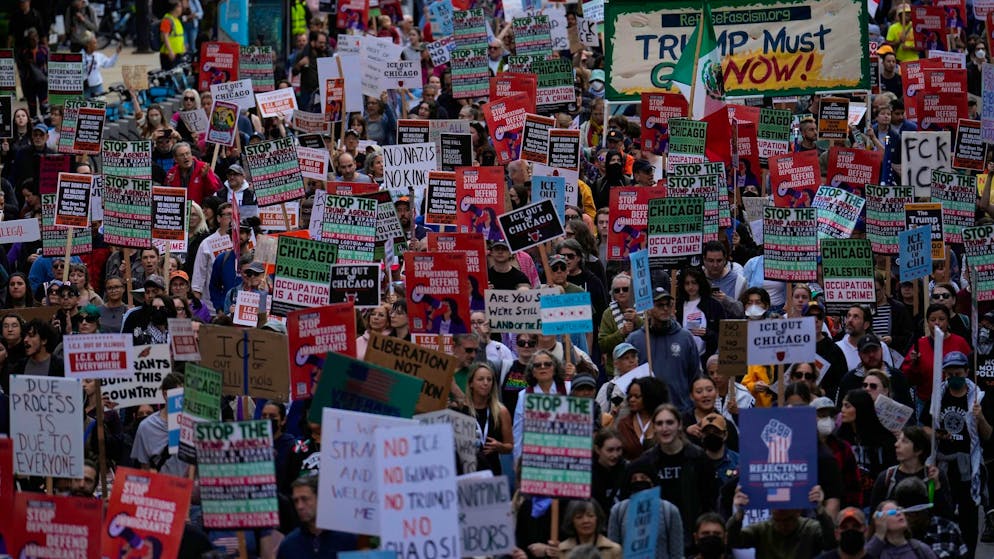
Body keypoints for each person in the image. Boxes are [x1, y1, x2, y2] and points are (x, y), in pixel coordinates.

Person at [921, 351, 990, 558]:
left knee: (969, 518)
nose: (953, 378)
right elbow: (924, 427)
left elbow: (988, 435)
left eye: (958, 374)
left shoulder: (979, 398)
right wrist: (937, 434)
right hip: (942, 467)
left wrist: (980, 418)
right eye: (949, 375)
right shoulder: (938, 396)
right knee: (942, 514)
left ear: (967, 372)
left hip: (969, 467)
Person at [629, 403, 716, 546]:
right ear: (654, 427)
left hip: (691, 537)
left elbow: (709, 501)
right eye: (659, 423)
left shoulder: (698, 458)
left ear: (679, 425)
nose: (665, 428)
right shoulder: (645, 463)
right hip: (657, 538)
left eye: (669, 422)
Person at [625, 288, 702, 412]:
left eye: (668, 305)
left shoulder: (685, 338)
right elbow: (627, 376)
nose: (665, 308)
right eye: (660, 305)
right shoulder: (635, 340)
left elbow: (695, 375)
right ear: (648, 309)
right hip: (647, 412)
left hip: (680, 410)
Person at [727, 483, 835, 558]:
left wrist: (820, 510)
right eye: (777, 520)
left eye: (788, 520)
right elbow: (733, 541)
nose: (782, 525)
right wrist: (739, 514)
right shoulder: (762, 529)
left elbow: (830, 542)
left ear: (798, 512)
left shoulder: (810, 528)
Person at [869, 426, 953, 519]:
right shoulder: (887, 477)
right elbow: (874, 517)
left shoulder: (934, 475)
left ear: (919, 450)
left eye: (904, 441)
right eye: (898, 440)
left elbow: (946, 515)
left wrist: (936, 486)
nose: (896, 444)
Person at [607, 461, 685, 558]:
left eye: (643, 478)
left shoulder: (669, 511)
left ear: (652, 482)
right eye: (634, 479)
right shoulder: (618, 511)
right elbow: (613, 552)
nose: (639, 481)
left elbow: (677, 554)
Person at [901, 304, 972, 408]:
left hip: (956, 400)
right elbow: (907, 377)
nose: (937, 323)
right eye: (933, 320)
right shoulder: (920, 344)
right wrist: (913, 363)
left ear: (948, 321)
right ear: (927, 322)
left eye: (941, 319)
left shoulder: (960, 342)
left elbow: (971, 369)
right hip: (925, 401)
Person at [837, 389, 897, 508]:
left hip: (876, 501)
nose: (842, 410)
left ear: (860, 408)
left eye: (847, 406)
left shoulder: (885, 439)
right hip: (848, 501)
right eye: (842, 405)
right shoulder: (840, 437)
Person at [277, 476, 358, 558]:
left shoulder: (348, 539)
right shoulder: (289, 545)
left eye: (305, 499)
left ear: (321, 499)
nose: (299, 506)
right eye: (296, 501)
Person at [892, 477, 969, 559]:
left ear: (924, 511)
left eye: (911, 514)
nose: (907, 519)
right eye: (904, 514)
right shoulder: (894, 533)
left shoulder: (948, 529)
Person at [513, 350, 569, 461]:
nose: (543, 367)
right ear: (532, 372)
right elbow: (518, 431)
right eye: (538, 365)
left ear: (554, 369)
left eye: (547, 364)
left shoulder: (568, 389)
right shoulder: (524, 396)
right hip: (536, 457)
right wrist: (518, 460)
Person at [467, 362, 512, 475]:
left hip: (492, 472)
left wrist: (500, 447)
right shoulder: (462, 410)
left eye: (489, 379)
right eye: (480, 379)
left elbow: (509, 446)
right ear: (471, 383)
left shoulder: (501, 411)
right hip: (467, 472)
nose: (486, 383)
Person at [676, 267, 726, 363]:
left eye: (694, 282)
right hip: (682, 358)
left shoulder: (713, 305)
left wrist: (708, 334)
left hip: (707, 360)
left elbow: (723, 335)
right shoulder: (677, 306)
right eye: (687, 283)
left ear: (700, 283)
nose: (690, 287)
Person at [616, 376, 669, 460]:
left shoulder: (667, 421)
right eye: (630, 396)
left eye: (637, 396)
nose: (632, 400)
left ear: (650, 397)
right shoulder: (624, 424)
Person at [865, 501, 938, 558]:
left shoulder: (920, 549)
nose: (898, 514)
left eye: (899, 510)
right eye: (892, 512)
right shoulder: (878, 552)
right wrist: (879, 534)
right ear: (880, 522)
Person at [555, 500, 621, 558]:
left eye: (590, 516)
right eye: (579, 517)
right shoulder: (561, 550)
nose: (586, 521)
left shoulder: (614, 550)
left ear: (597, 518)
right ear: (571, 521)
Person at [592, 429, 627, 516]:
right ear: (597, 449)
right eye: (610, 450)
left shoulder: (627, 470)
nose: (615, 455)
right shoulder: (589, 475)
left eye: (618, 449)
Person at [159, 0, 186, 71]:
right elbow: (164, 36)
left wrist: (183, 46)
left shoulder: (176, 20)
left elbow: (179, 36)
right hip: (169, 54)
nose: (181, 8)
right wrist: (170, 50)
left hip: (177, 54)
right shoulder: (167, 20)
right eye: (179, 6)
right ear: (174, 8)